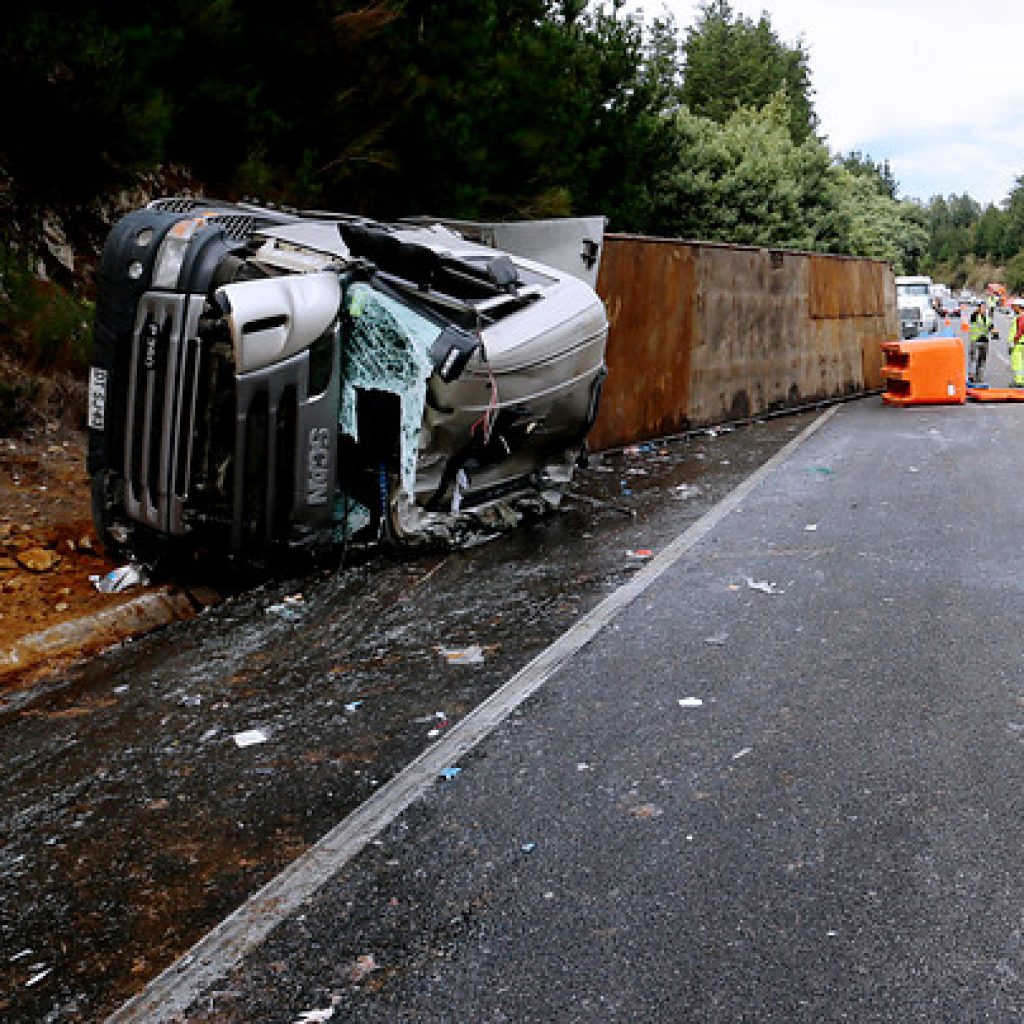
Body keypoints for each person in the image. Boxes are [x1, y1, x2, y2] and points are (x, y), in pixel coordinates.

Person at [968, 303, 990, 384]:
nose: (983, 309)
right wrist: (977, 311)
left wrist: (995, 332)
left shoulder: (987, 318)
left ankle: (979, 376)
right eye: (982, 308)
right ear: (978, 309)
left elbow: (990, 326)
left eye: (985, 308)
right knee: (973, 359)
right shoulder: (975, 316)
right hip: (975, 340)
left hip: (985, 341)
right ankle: (971, 376)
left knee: (982, 360)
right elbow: (972, 318)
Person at [1012, 302, 1024, 387]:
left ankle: (1018, 381)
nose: (1013, 308)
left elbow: (1020, 329)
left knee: (1017, 363)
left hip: (1019, 344)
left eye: (1015, 306)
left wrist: (1015, 340)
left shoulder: (1021, 317)